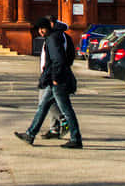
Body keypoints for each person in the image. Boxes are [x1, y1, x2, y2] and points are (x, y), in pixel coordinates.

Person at [13, 17, 82, 149]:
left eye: (42, 29)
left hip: (57, 80)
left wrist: (55, 78)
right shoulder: (58, 36)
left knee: (66, 110)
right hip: (54, 79)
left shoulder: (53, 38)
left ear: (47, 28)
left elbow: (58, 60)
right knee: (43, 107)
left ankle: (76, 138)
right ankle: (30, 134)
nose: (40, 31)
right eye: (38, 29)